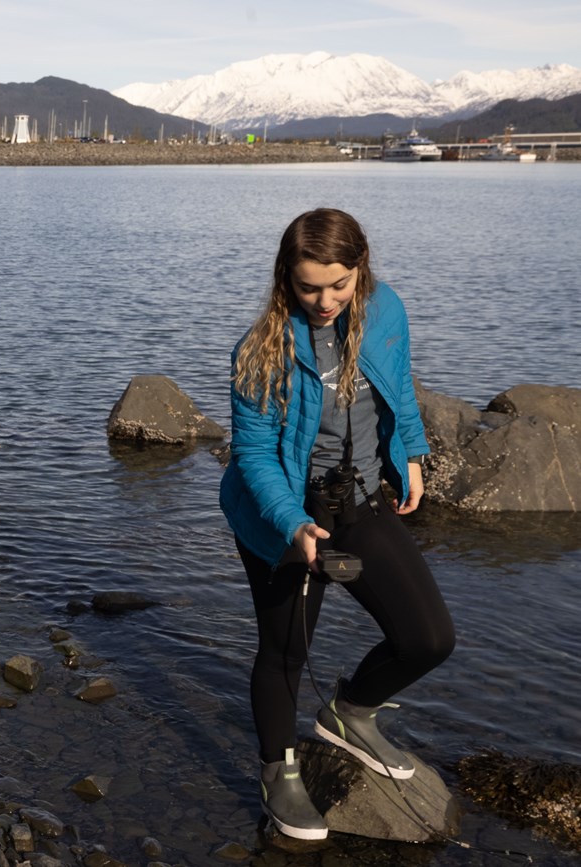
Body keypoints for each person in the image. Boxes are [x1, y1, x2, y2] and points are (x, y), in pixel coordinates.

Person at [219, 208, 456, 841]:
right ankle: (278, 771)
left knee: (429, 639)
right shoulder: (260, 349)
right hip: (282, 518)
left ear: (360, 270)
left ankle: (351, 711)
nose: (325, 301)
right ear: (285, 281)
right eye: (308, 288)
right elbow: (253, 456)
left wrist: (410, 454)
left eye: (338, 285)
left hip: (357, 501)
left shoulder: (385, 312)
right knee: (287, 654)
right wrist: (292, 527)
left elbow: (397, 386)